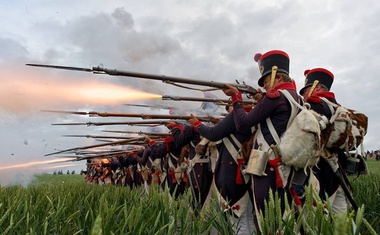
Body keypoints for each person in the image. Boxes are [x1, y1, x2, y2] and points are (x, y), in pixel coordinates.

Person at [221, 50, 302, 231]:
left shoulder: (274, 98)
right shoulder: (298, 99)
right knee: (286, 218)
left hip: (268, 168)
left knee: (268, 221)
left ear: (277, 76)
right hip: (288, 165)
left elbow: (242, 124)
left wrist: (236, 99)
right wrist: (261, 98)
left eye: (266, 81)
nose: (265, 86)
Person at [300, 68, 353, 214]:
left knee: (317, 223)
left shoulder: (315, 104)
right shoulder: (336, 105)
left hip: (321, 174)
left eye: (306, 89)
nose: (304, 94)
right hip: (337, 173)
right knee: (342, 224)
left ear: (316, 87)